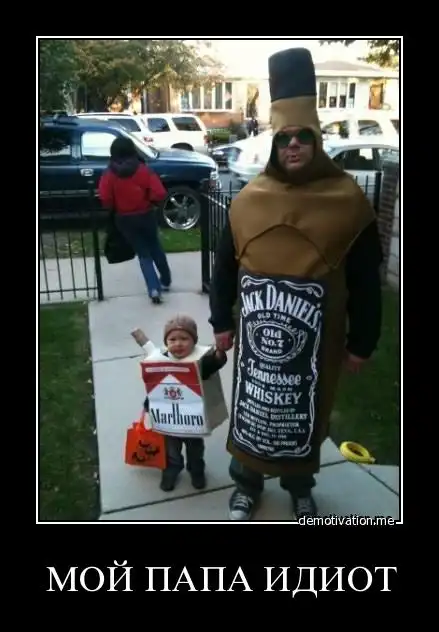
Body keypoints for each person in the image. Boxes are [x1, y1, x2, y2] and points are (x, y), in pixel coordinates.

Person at [208, 48, 383, 521]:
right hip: (258, 341)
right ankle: (246, 484)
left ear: (317, 141)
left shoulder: (348, 201)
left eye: (303, 136)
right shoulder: (249, 200)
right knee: (255, 408)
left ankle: (300, 486)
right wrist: (221, 319)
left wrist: (362, 342)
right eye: (284, 138)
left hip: (318, 342)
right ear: (274, 144)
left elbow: (366, 279)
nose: (293, 146)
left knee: (304, 412)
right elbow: (224, 267)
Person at [132, 315, 228, 492]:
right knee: (171, 452)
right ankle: (171, 471)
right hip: (169, 422)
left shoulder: (200, 362)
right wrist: (148, 407)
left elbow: (214, 363)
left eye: (184, 338)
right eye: (172, 339)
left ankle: (196, 471)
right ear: (166, 342)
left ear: (194, 341)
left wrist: (220, 353)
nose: (178, 344)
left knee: (195, 451)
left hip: (193, 422)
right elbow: (156, 389)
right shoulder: (160, 360)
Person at [98, 136, 172, 304]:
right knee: (155, 246)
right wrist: (150, 200)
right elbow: (159, 193)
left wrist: (114, 207)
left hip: (124, 219)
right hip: (146, 214)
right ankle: (166, 280)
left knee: (143, 253)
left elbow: (105, 198)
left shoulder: (109, 174)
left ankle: (153, 289)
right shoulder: (143, 170)